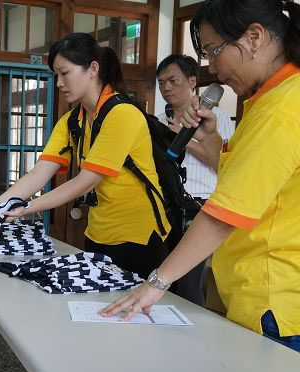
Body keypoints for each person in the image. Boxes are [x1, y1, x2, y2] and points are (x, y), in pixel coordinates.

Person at [102, 0, 300, 353]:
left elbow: (226, 213)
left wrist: (156, 283)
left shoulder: (282, 108)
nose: (213, 68)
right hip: (260, 291)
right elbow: (242, 180)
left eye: (214, 51)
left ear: (254, 37)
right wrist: (209, 139)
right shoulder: (270, 100)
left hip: (276, 301)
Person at [0, 32, 172, 279]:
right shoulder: (71, 121)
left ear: (93, 69)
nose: (59, 83)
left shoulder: (123, 114)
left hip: (139, 237)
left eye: (65, 73)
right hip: (97, 233)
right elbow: (38, 174)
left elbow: (86, 181)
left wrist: (25, 207)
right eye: (56, 75)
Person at [155, 53, 235, 306]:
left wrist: (184, 137)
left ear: (192, 81)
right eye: (161, 83)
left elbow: (221, 162)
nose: (166, 88)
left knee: (189, 282)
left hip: (201, 205)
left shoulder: (217, 117)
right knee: (165, 276)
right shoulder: (160, 119)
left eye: (173, 81)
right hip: (168, 205)